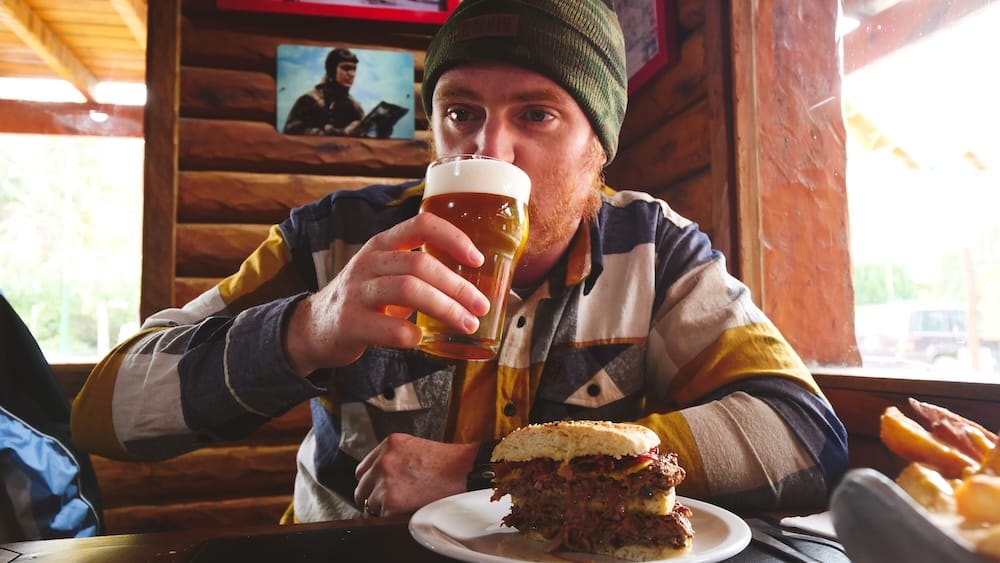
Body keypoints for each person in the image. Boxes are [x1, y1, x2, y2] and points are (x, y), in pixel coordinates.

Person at [72, 0, 848, 523]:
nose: (487, 148)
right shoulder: (337, 238)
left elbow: (803, 437)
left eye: (536, 114)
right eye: (460, 112)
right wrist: (310, 326)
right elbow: (104, 413)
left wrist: (498, 473)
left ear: (600, 148)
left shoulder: (653, 248)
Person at [282, 48, 366, 136]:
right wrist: (338, 133)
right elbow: (291, 133)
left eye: (354, 69)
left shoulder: (356, 107)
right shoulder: (308, 101)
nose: (352, 74)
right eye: (346, 68)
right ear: (331, 70)